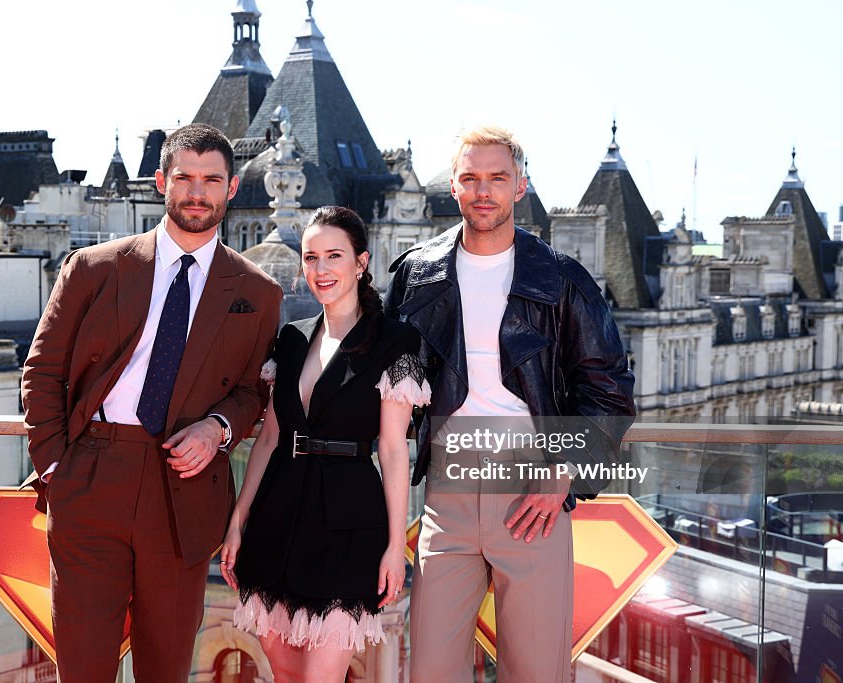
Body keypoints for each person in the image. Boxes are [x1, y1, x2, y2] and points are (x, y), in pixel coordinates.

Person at [21, 123, 283, 682]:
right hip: (91, 478)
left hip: (185, 489)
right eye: (184, 177)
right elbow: (42, 370)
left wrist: (218, 428)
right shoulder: (94, 268)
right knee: (83, 666)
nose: (197, 191)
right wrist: (56, 469)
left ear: (232, 189)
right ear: (162, 181)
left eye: (211, 179)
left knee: (165, 668)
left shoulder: (259, 292)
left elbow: (251, 392)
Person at [384, 126, 636, 682]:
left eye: (497, 177)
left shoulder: (563, 279)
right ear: (452, 185)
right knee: (429, 670)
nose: (483, 190)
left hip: (532, 487)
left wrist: (564, 472)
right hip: (444, 493)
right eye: (470, 177)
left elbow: (611, 391)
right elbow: (386, 378)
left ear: (520, 186)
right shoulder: (415, 273)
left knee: (535, 671)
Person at [220, 206, 430, 682]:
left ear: (361, 262)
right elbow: (270, 437)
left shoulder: (395, 342)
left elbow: (395, 451)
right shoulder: (291, 339)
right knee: (286, 674)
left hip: (350, 525)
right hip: (277, 520)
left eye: (333, 256)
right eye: (310, 257)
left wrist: (396, 546)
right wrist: (238, 521)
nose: (320, 269)